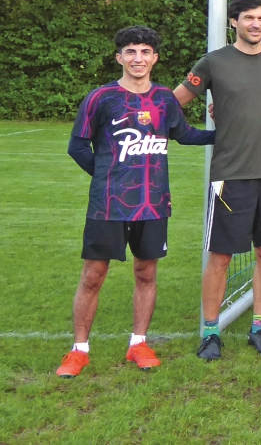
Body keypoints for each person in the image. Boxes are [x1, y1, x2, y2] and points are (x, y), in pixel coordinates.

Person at [57, 25, 215, 377]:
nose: (138, 58)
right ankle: (79, 349)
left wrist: (226, 132)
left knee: (146, 272)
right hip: (108, 204)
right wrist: (105, 175)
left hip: (153, 203)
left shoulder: (164, 99)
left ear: (155, 58)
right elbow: (77, 146)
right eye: (131, 52)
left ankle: (138, 343)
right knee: (93, 275)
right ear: (119, 57)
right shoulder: (100, 98)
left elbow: (185, 135)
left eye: (145, 52)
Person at [173, 0, 261, 360]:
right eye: (249, 18)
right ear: (234, 22)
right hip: (230, 176)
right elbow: (173, 103)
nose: (256, 24)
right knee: (221, 255)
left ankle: (260, 326)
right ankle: (211, 331)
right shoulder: (213, 63)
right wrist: (196, 134)